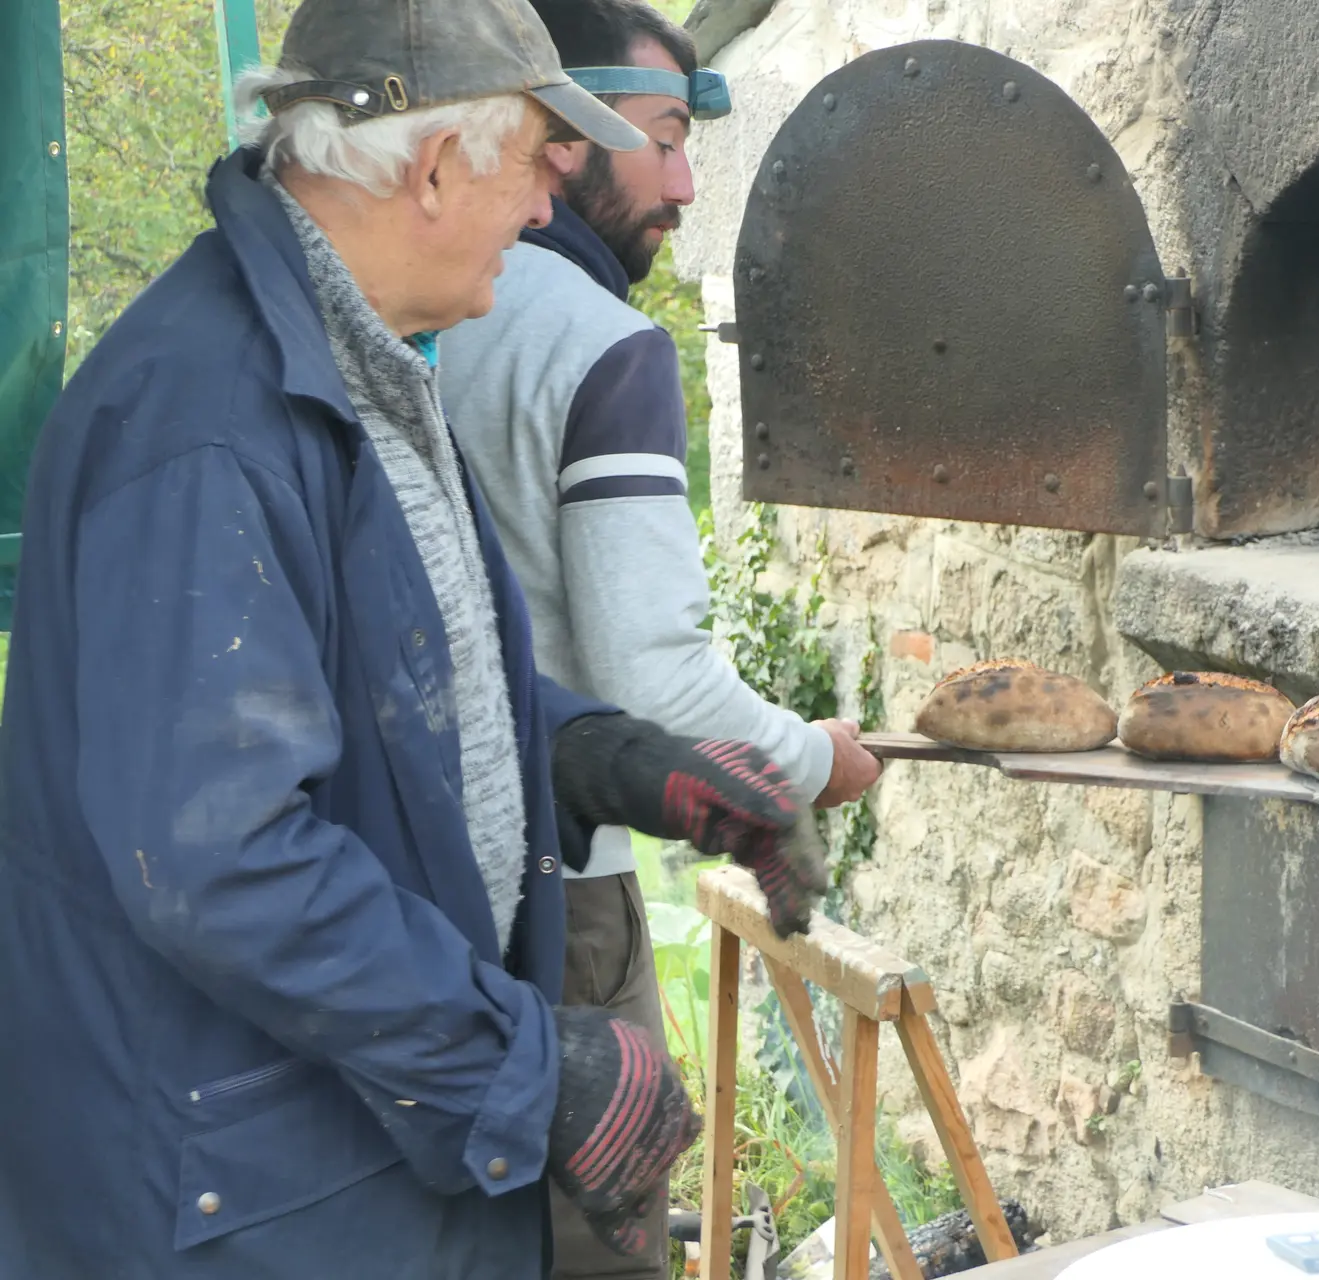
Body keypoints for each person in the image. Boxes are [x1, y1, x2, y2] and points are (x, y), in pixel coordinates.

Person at [0, 0, 829, 1276]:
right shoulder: (206, 425)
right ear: (435, 166)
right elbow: (221, 859)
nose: (544, 209)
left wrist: (609, 758)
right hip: (235, 1199)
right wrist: (528, 1064)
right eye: (536, 164)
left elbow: (405, 677)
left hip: (327, 1165)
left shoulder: (365, 356)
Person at [438, 3, 881, 1275]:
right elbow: (656, 682)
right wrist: (816, 757)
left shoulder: (407, 313)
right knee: (598, 1249)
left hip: (424, 880)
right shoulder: (604, 346)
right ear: (565, 134)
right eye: (666, 138)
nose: (686, 185)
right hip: (558, 893)